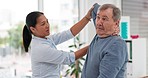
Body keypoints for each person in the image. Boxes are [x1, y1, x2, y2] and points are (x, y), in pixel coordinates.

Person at [22, 6, 94, 78]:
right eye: (43, 24)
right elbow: (69, 58)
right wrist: (94, 45)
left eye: (47, 21)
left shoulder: (46, 39)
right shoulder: (40, 48)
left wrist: (87, 18)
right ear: (33, 29)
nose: (47, 25)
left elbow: (69, 33)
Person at [81, 3, 128, 78]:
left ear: (116, 23)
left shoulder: (116, 45)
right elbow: (95, 7)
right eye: (98, 17)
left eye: (104, 19)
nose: (99, 22)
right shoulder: (101, 33)